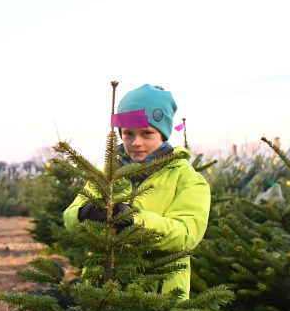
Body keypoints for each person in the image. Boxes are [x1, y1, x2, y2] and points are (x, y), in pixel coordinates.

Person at [63, 84, 209, 298]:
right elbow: (70, 217)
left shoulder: (187, 179)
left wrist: (134, 222)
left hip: (159, 303)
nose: (136, 142)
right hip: (101, 297)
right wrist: (84, 214)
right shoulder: (107, 175)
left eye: (147, 133)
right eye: (128, 133)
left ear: (163, 133)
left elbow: (187, 233)